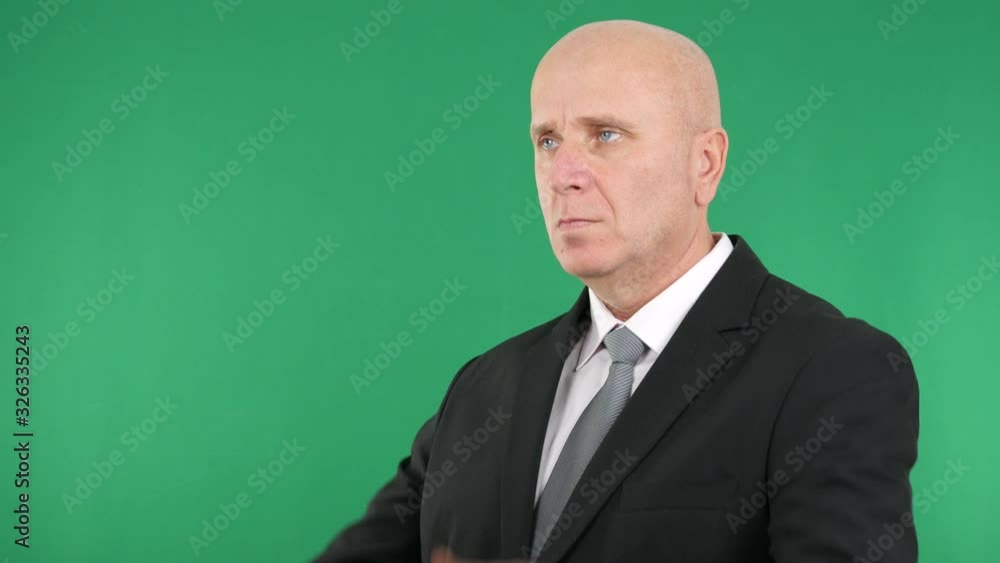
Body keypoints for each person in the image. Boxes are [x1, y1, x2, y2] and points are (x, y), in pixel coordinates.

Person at [312, 19, 919, 563]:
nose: (563, 175)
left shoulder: (832, 371)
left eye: (605, 135)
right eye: (548, 141)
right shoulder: (481, 388)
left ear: (705, 163)